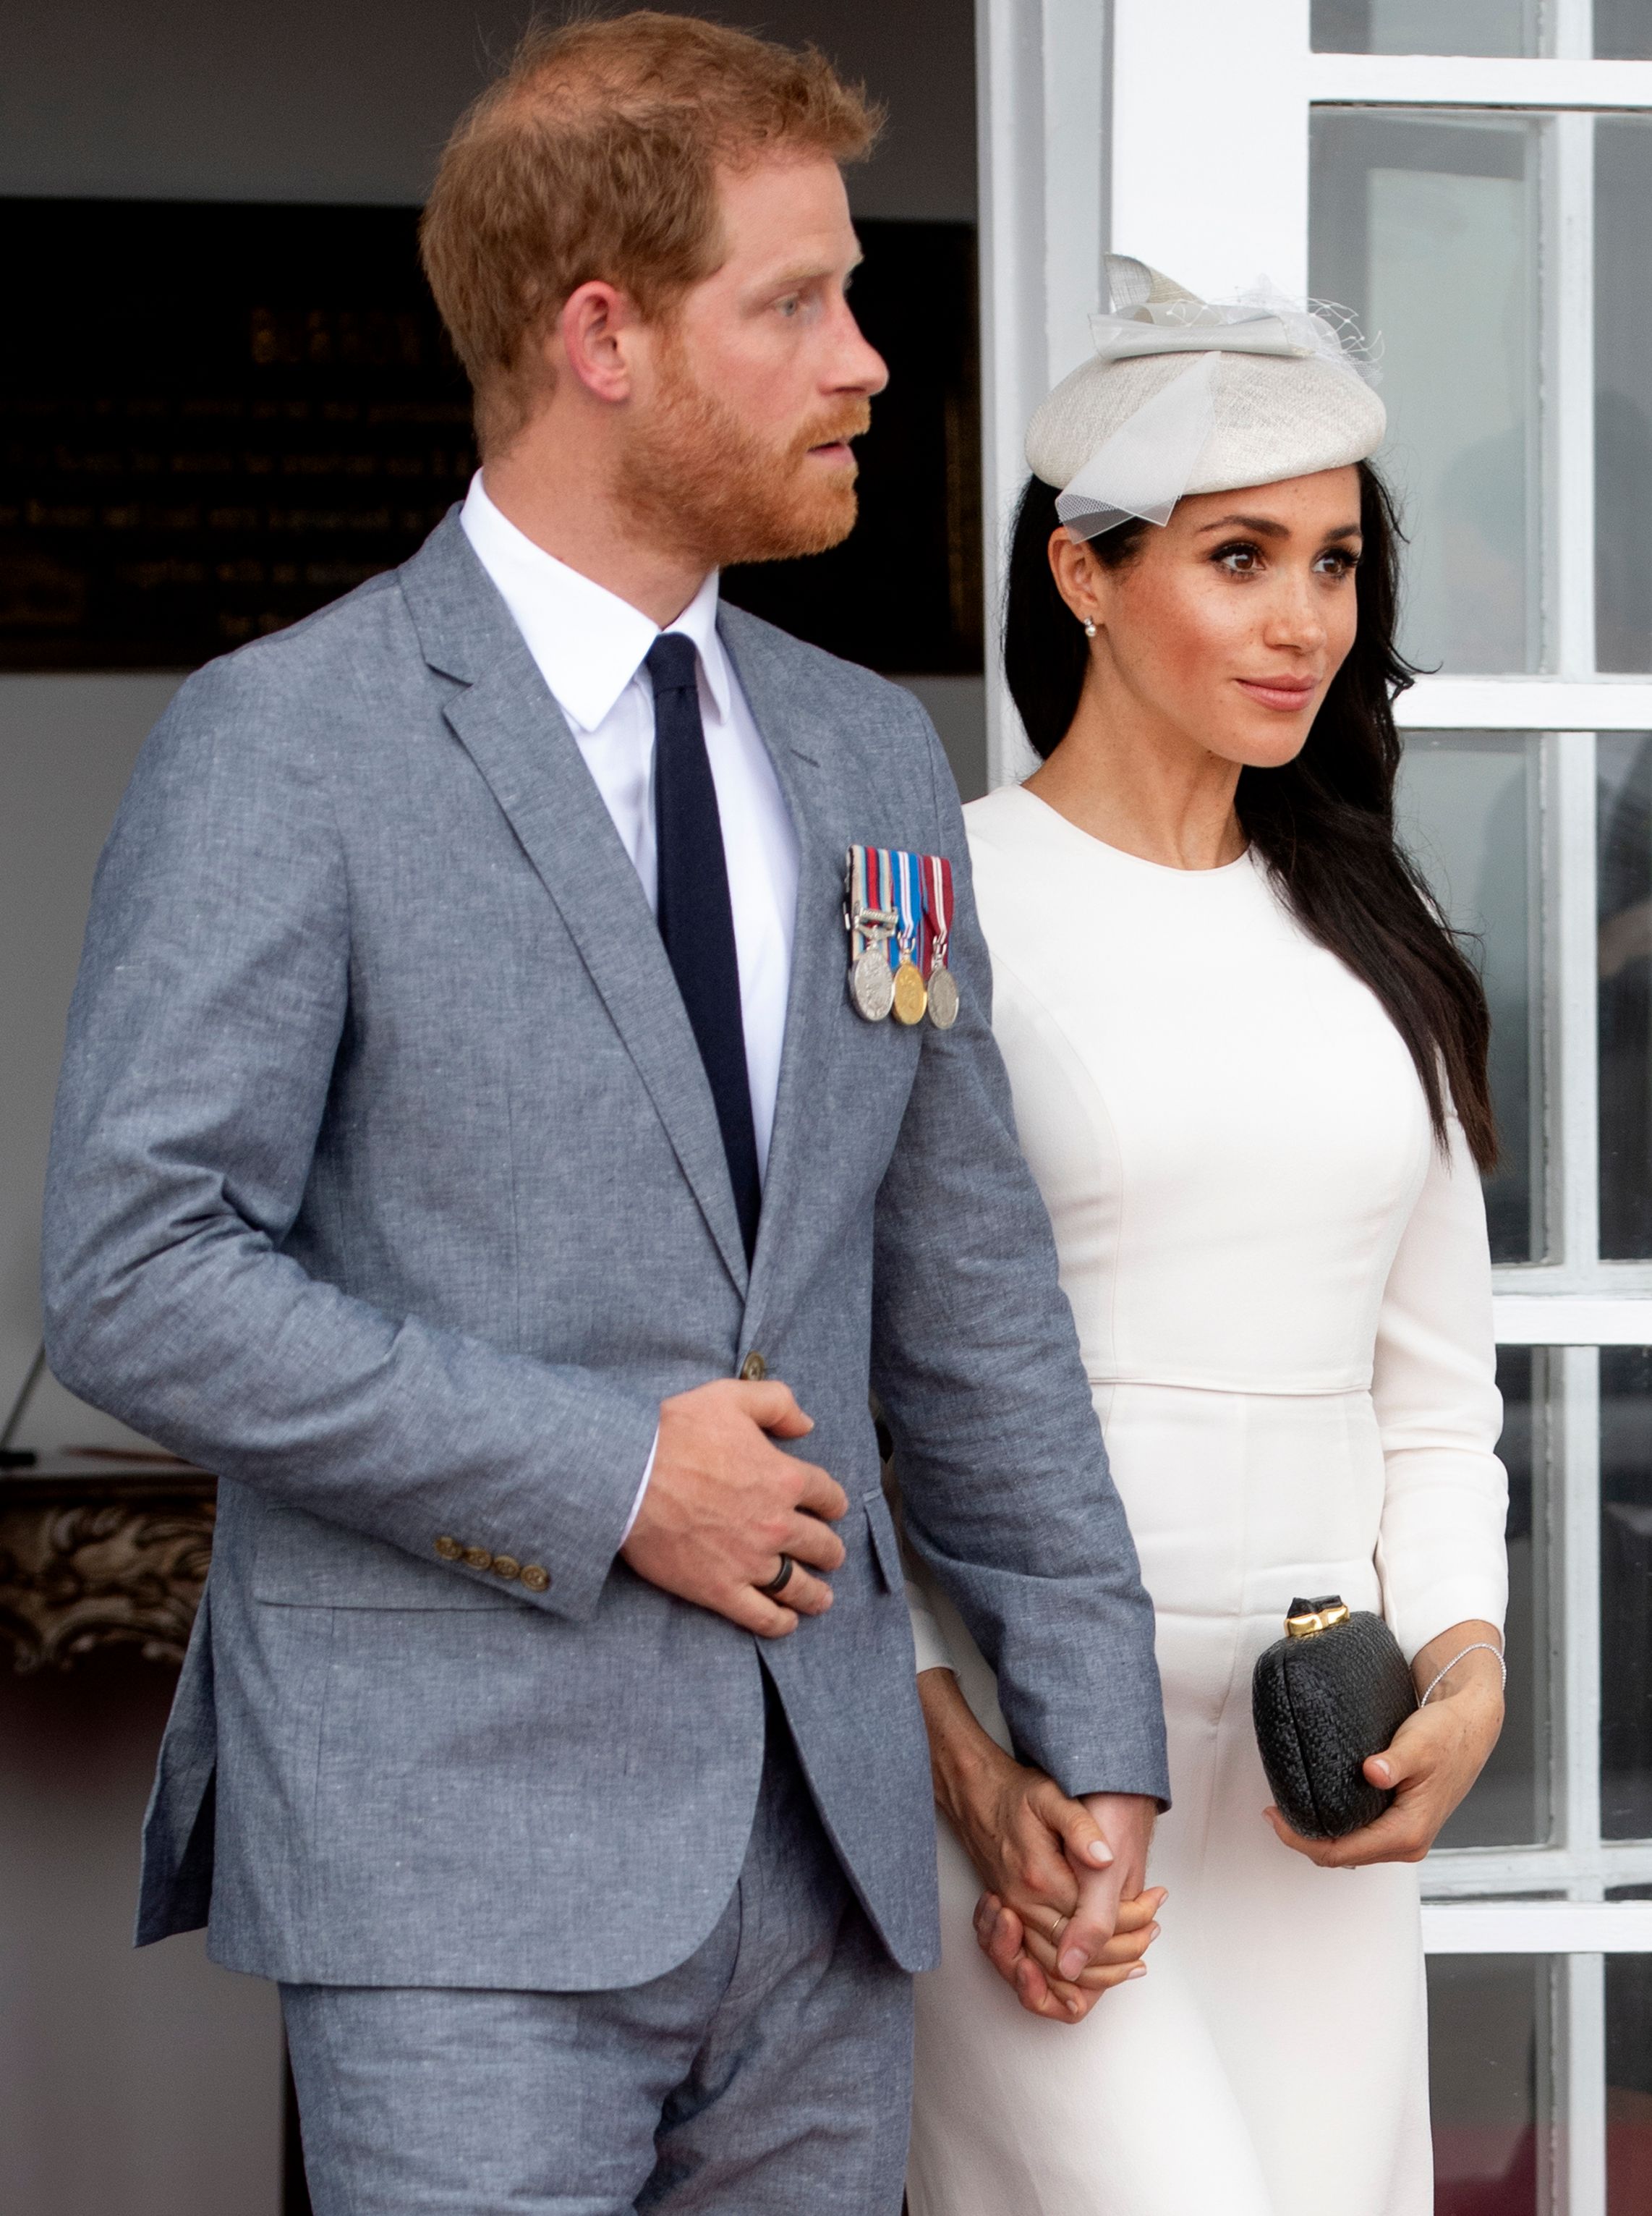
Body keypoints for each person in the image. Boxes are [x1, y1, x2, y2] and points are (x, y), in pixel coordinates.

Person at [40, 22, 1169, 2215]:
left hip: (827, 1862)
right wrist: (605, 1470)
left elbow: (967, 1296)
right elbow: (134, 1273)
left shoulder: (860, 757)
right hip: (455, 1862)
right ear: (601, 339)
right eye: (797, 304)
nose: (867, 360)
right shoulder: (288, 740)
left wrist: (1087, 1737)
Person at [903, 258, 1510, 2216]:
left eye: (1334, 564)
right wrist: (968, 1780)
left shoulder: (1373, 937)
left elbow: (1431, 1394)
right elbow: (838, 1380)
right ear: (1080, 573)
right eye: (1239, 556)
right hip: (1032, 1764)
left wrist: (1466, 1664)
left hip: (1318, 1756)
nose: (1303, 620)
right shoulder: (921, 903)